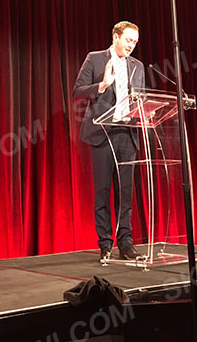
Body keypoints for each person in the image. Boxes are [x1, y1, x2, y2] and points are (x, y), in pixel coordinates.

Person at [73, 21, 145, 263]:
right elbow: (77, 92)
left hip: (128, 133)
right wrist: (102, 85)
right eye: (128, 40)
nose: (131, 45)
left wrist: (145, 110)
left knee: (125, 193)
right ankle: (105, 244)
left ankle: (126, 243)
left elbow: (140, 97)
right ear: (116, 36)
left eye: (135, 42)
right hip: (102, 133)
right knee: (103, 191)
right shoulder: (95, 59)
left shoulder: (138, 66)